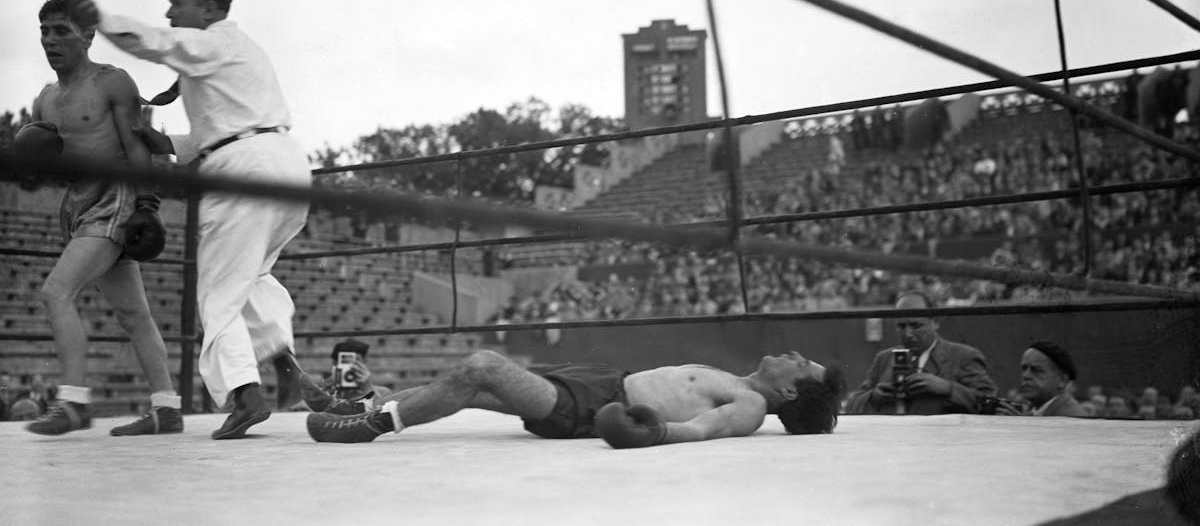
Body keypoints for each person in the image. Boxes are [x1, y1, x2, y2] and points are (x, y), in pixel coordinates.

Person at [64, 0, 317, 440]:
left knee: (218, 292)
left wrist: (99, 19)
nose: (168, 12)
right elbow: (224, 127)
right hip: (285, 161)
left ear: (209, 9)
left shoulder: (212, 41)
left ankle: (246, 395)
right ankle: (288, 368)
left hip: (246, 169)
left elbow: (156, 42)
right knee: (252, 276)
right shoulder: (243, 50)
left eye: (176, 2)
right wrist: (168, 142)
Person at [18, 0, 182, 436]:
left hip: (118, 201)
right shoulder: (45, 101)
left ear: (88, 35)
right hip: (79, 207)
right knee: (134, 315)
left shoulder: (113, 82)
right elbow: (50, 171)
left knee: (56, 293)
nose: (50, 40)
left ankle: (73, 402)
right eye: (45, 31)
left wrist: (147, 206)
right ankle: (167, 408)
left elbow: (136, 147)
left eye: (62, 31)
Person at [305, 349, 846, 447]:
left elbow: (702, 430)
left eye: (803, 364)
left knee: (482, 367)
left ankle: (368, 428)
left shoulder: (751, 407)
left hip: (591, 406)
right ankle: (361, 406)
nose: (795, 354)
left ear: (792, 389)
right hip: (598, 381)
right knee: (470, 386)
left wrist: (653, 431)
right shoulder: (738, 379)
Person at [844, 291, 997, 414]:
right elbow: (851, 406)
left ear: (935, 321)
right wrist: (874, 396)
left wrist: (948, 388)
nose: (908, 334)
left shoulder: (964, 356)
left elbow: (991, 404)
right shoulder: (884, 358)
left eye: (916, 325)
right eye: (901, 326)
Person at [296, 338, 393, 411]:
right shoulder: (325, 390)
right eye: (345, 363)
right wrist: (327, 393)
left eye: (356, 362)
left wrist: (368, 390)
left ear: (364, 363)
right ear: (335, 364)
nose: (350, 368)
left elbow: (383, 414)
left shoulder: (382, 392)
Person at [995, 341, 1086, 417]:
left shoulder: (1070, 417)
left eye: (1036, 370)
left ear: (1062, 381)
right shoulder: (1040, 410)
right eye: (1024, 368)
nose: (1026, 375)